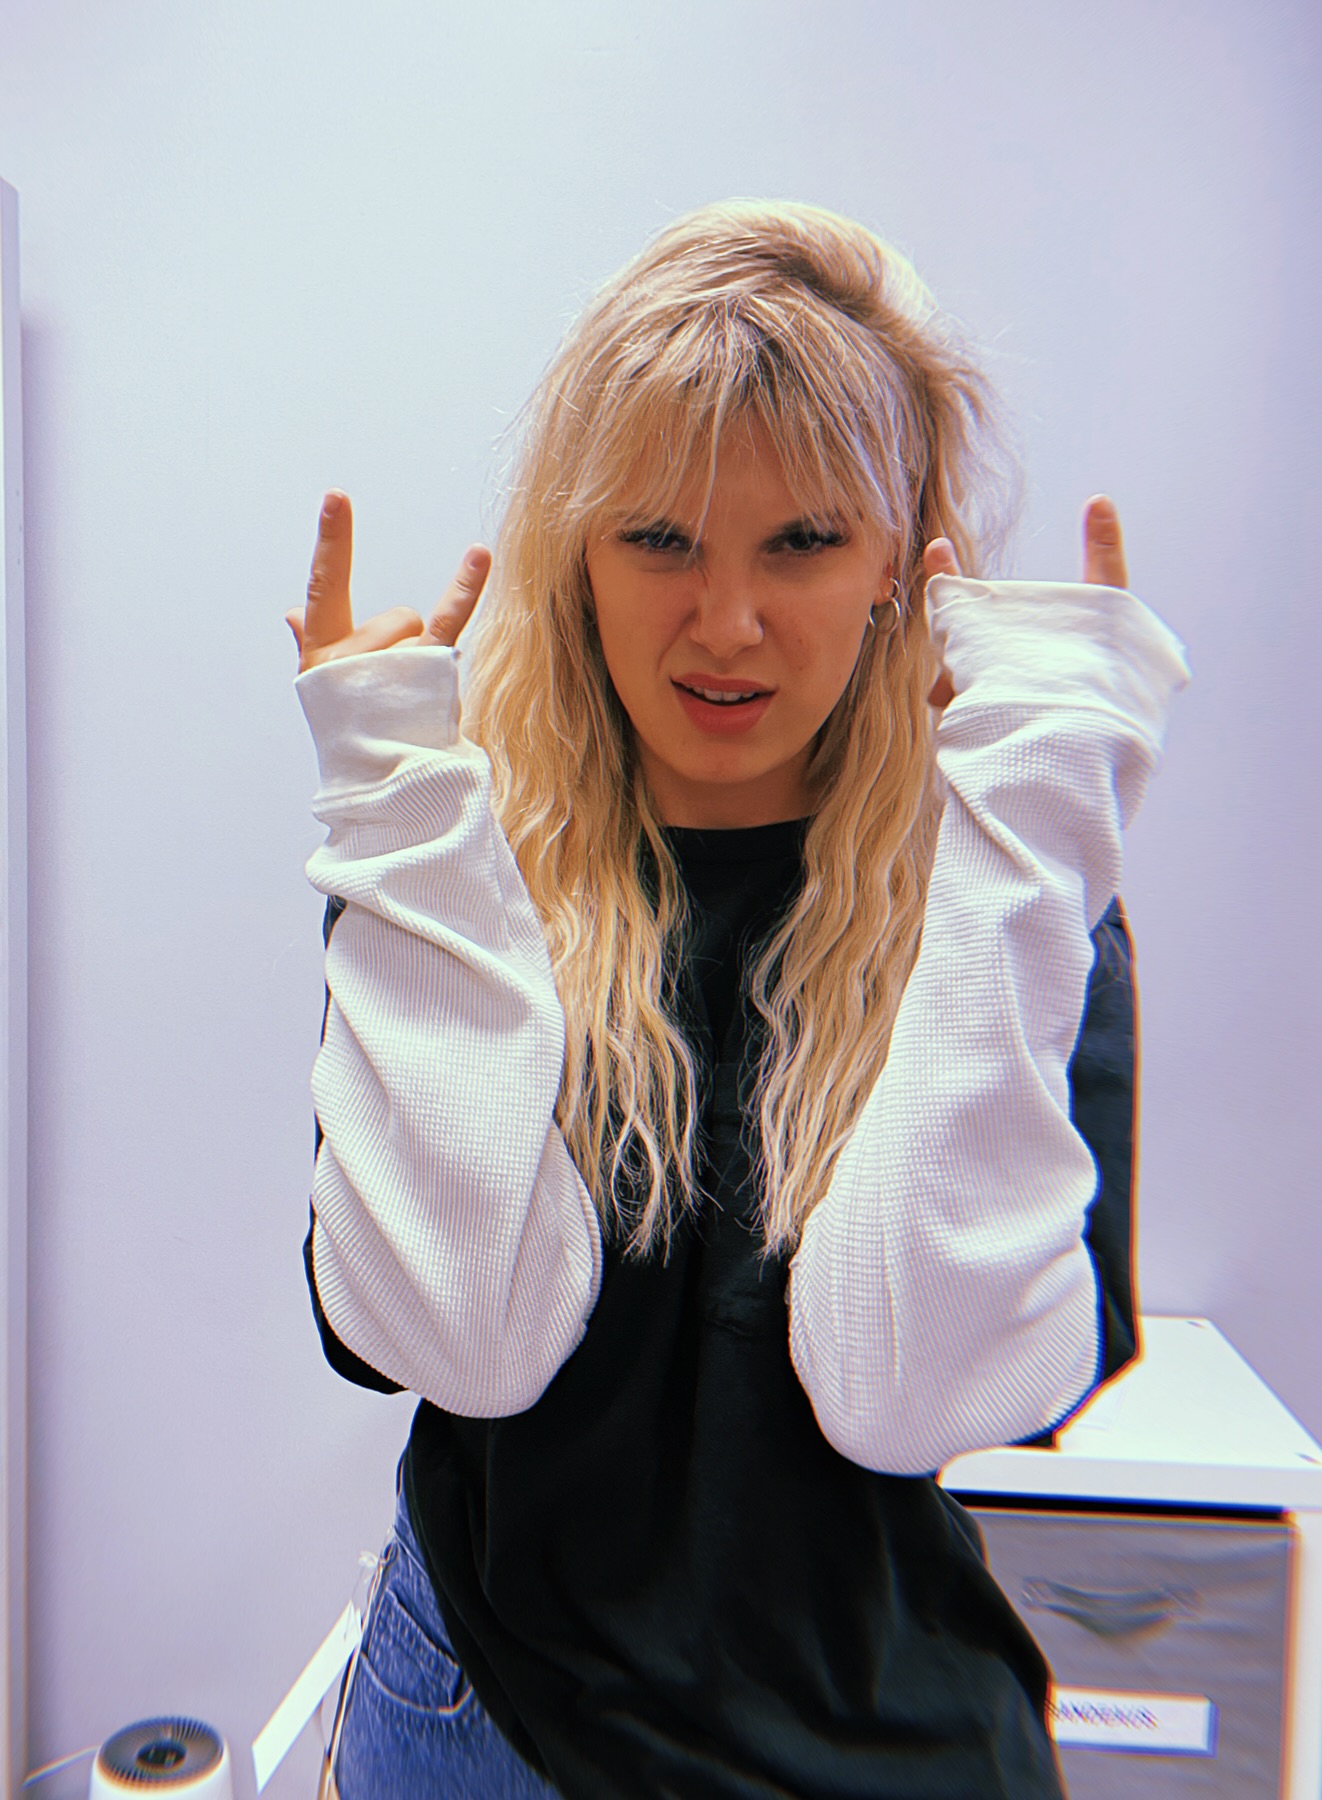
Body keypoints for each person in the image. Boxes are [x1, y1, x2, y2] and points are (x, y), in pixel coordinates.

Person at [286, 199, 1190, 1799]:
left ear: (903, 561)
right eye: (659, 539)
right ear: (576, 554)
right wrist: (400, 820)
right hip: (484, 1715)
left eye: (803, 541)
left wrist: (1036, 828)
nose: (726, 623)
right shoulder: (458, 861)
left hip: (868, 1729)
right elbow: (447, 1341)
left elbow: (915, 1394)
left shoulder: (1009, 896)